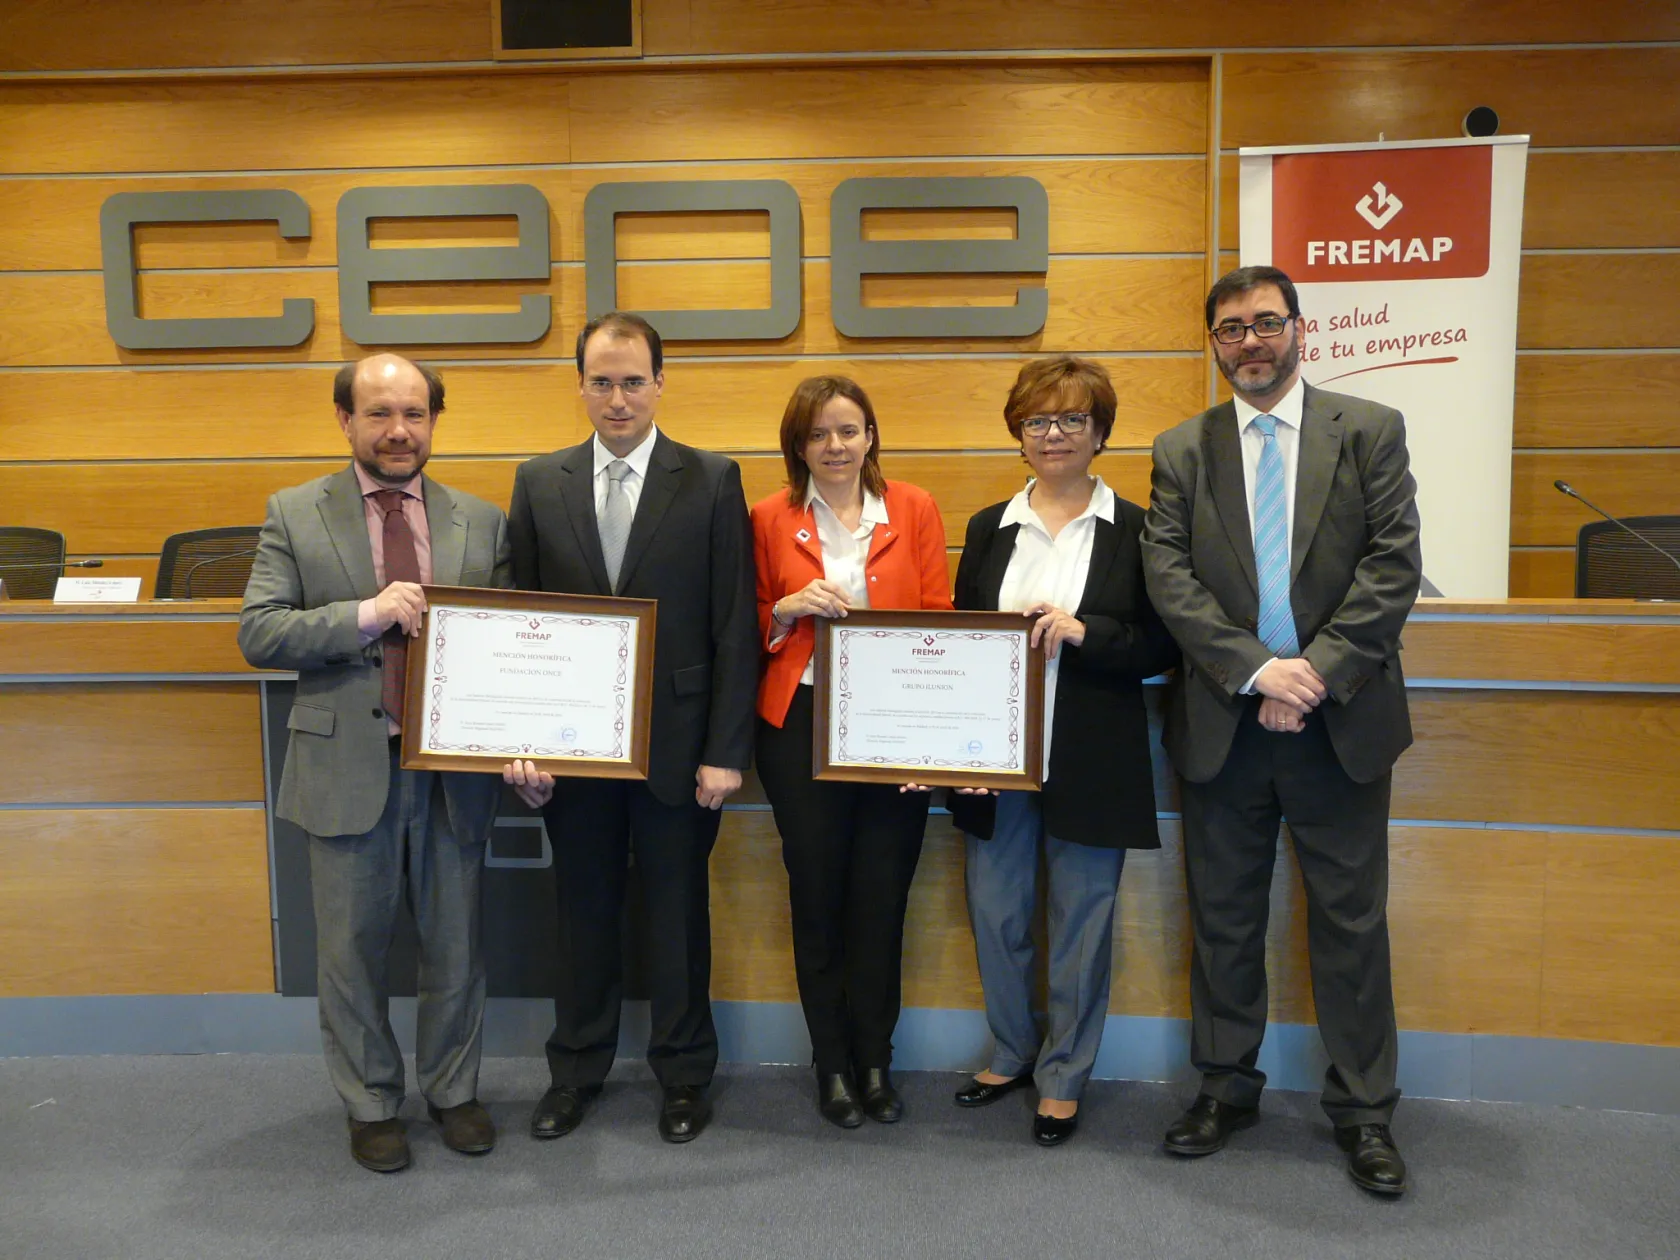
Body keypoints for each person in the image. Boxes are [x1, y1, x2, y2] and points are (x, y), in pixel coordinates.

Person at [1141, 265, 1422, 1195]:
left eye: (1266, 323)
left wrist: (1312, 676)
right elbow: (1170, 580)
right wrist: (1260, 671)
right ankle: (1226, 1087)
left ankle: (1365, 1111)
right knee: (1223, 920)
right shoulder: (1182, 449)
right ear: (1213, 344)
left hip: (1340, 721)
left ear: (1301, 330)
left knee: (1350, 922)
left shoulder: (1368, 432)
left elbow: (1392, 567)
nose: (1250, 342)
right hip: (1225, 720)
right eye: (1230, 329)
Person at [239, 353, 545, 1172]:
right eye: (379, 413)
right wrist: (364, 616)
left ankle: (453, 1091)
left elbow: (516, 649)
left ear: (435, 421)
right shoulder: (295, 513)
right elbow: (259, 632)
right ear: (345, 420)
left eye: (415, 413)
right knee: (349, 951)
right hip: (347, 767)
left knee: (456, 945)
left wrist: (530, 742)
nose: (399, 430)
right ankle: (372, 1102)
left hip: (453, 774)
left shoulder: (478, 522)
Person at [506, 311, 757, 1145]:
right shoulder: (539, 481)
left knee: (678, 918)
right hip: (576, 750)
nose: (618, 398)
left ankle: (684, 1075)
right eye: (602, 381)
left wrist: (727, 752)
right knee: (580, 914)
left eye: (633, 381)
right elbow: (523, 626)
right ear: (580, 385)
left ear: (660, 382)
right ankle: (575, 1069)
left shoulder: (713, 477)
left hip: (681, 749)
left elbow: (733, 625)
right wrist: (526, 745)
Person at [947, 356, 1179, 1147]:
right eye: (1038, 420)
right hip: (993, 757)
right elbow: (959, 639)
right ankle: (1012, 1050)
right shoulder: (988, 528)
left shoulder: (1141, 529)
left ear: (1100, 432)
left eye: (1072, 420)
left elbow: (1163, 643)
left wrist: (1087, 634)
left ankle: (1064, 1076)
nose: (1053, 434)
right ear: (1018, 432)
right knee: (997, 912)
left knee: (1083, 922)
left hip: (1091, 755)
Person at [750, 376, 952, 1129]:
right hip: (798, 724)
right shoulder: (768, 516)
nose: (834, 447)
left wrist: (929, 738)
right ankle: (831, 1065)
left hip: (894, 726)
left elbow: (940, 620)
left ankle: (876, 1060)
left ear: (871, 435)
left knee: (881, 899)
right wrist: (784, 611)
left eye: (849, 431)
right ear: (797, 444)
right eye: (818, 435)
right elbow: (742, 625)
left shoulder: (914, 507)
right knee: (818, 899)